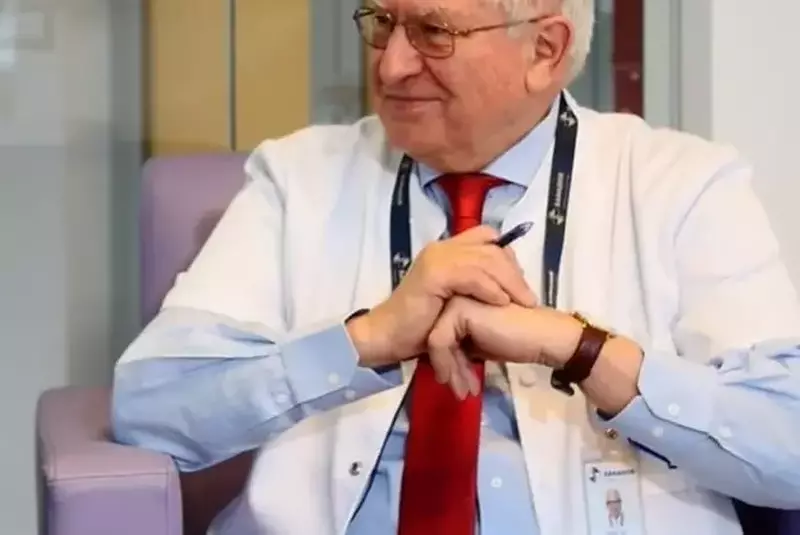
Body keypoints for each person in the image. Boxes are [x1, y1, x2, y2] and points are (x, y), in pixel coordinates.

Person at [111, 0, 800, 533]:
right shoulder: (298, 179)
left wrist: (578, 348)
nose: (390, 66)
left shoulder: (682, 185)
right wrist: (368, 340)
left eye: (434, 32)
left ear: (545, 48)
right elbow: (153, 410)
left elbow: (789, 442)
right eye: (383, 23)